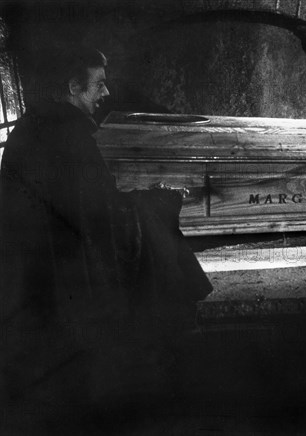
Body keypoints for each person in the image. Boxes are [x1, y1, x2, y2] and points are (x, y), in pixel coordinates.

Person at [0, 46, 212, 431]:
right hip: (67, 283)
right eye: (97, 85)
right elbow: (103, 217)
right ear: (72, 87)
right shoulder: (68, 135)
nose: (106, 94)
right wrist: (158, 198)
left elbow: (86, 207)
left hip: (31, 280)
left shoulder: (29, 129)